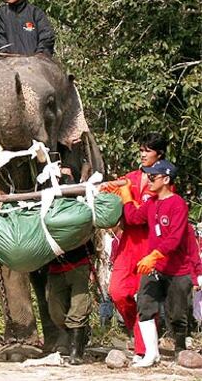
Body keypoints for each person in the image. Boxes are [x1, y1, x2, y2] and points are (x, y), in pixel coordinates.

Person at [115, 159, 195, 367]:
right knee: (145, 303)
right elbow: (133, 218)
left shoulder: (178, 204)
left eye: (153, 177)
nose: (149, 180)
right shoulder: (151, 203)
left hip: (177, 269)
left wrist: (154, 255)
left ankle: (180, 349)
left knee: (177, 314)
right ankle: (151, 353)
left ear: (166, 179)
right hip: (155, 268)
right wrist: (126, 195)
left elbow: (174, 238)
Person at [102, 133, 167, 362]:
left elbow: (140, 217)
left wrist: (126, 195)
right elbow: (109, 194)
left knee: (145, 298)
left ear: (159, 154)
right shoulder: (130, 177)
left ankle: (144, 348)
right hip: (127, 244)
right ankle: (140, 333)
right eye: (141, 149)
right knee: (117, 292)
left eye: (148, 150)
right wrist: (106, 189)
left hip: (149, 246)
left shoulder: (163, 180)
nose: (143, 153)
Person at [47, 241, 94, 365]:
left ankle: (76, 352)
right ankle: (81, 334)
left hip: (79, 264)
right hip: (55, 269)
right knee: (56, 313)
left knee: (79, 307)